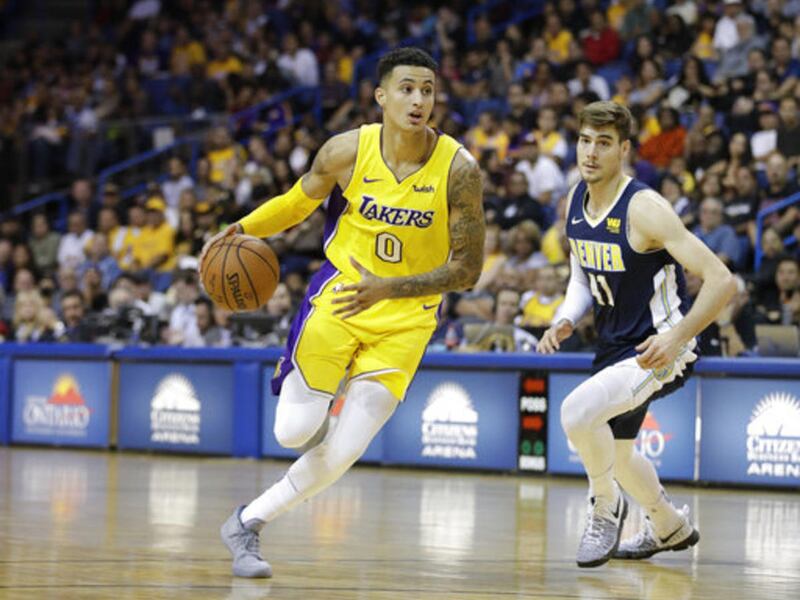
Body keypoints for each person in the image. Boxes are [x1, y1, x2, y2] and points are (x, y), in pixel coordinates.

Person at [200, 47, 485, 579]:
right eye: (406, 88)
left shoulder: (459, 169)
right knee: (292, 432)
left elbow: (467, 269)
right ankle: (321, 382)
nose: (418, 100)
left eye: (427, 90)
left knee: (345, 450)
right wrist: (243, 230)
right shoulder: (347, 151)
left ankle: (246, 523)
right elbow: (297, 200)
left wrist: (391, 289)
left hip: (406, 318)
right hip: (339, 299)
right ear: (381, 96)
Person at [537, 101, 736, 568]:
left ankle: (604, 507)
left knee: (576, 412)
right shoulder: (574, 201)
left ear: (624, 149)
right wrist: (566, 317)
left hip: (662, 345)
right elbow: (582, 275)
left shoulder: (645, 208)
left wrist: (676, 337)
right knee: (618, 454)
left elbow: (721, 279)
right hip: (615, 348)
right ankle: (668, 525)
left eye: (603, 143)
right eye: (585, 140)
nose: (590, 152)